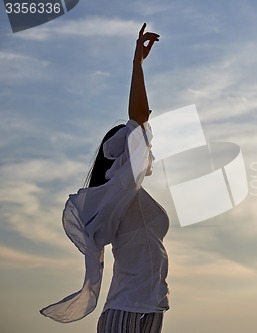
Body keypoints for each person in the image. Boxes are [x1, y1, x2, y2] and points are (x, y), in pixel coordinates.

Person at [40, 23, 169, 333]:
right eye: (137, 142)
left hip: (149, 307)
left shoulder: (129, 192)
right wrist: (137, 65)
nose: (147, 146)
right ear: (121, 153)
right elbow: (139, 118)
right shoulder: (121, 181)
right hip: (128, 310)